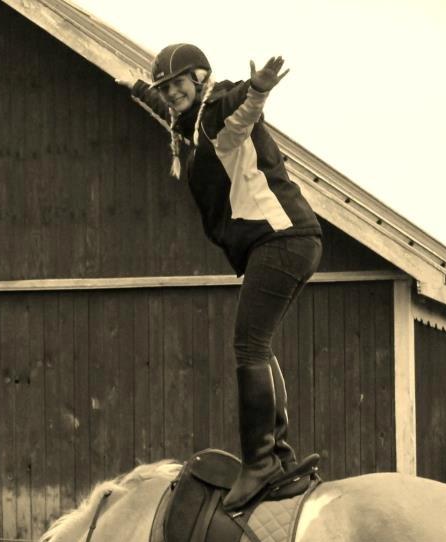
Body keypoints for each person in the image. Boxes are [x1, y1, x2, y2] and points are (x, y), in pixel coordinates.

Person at [120, 44, 323, 510]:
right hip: (277, 243)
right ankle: (278, 453)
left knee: (248, 347)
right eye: (166, 89)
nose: (172, 94)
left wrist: (257, 90)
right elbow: (168, 116)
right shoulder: (190, 126)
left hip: (281, 240)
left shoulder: (217, 115)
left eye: (178, 85)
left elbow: (241, 112)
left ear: (201, 78)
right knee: (258, 345)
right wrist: (136, 88)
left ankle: (261, 463)